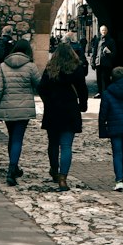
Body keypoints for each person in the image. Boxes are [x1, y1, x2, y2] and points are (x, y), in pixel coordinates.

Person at [0, 37, 39, 186]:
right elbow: (40, 85)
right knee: (18, 139)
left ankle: (14, 167)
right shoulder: (30, 66)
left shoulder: (3, 66)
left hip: (7, 108)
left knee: (12, 138)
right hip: (23, 108)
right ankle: (11, 170)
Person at [38, 41, 87, 190]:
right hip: (70, 110)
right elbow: (82, 89)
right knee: (66, 146)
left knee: (53, 143)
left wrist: (47, 101)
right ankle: (63, 178)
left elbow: (41, 88)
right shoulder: (76, 69)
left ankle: (54, 170)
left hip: (53, 110)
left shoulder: (50, 68)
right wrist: (82, 105)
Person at [98, 62, 123, 190]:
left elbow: (103, 112)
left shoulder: (107, 93)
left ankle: (119, 179)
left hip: (114, 126)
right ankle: (122, 175)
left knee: (117, 152)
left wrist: (102, 127)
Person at [93, 25, 116, 99]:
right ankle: (100, 92)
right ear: (100, 31)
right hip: (99, 62)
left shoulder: (111, 41)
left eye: (105, 30)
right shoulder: (98, 40)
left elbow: (114, 54)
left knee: (106, 79)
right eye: (102, 30)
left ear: (107, 31)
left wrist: (109, 52)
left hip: (107, 63)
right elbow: (95, 51)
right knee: (99, 79)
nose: (104, 32)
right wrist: (93, 61)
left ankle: (106, 92)